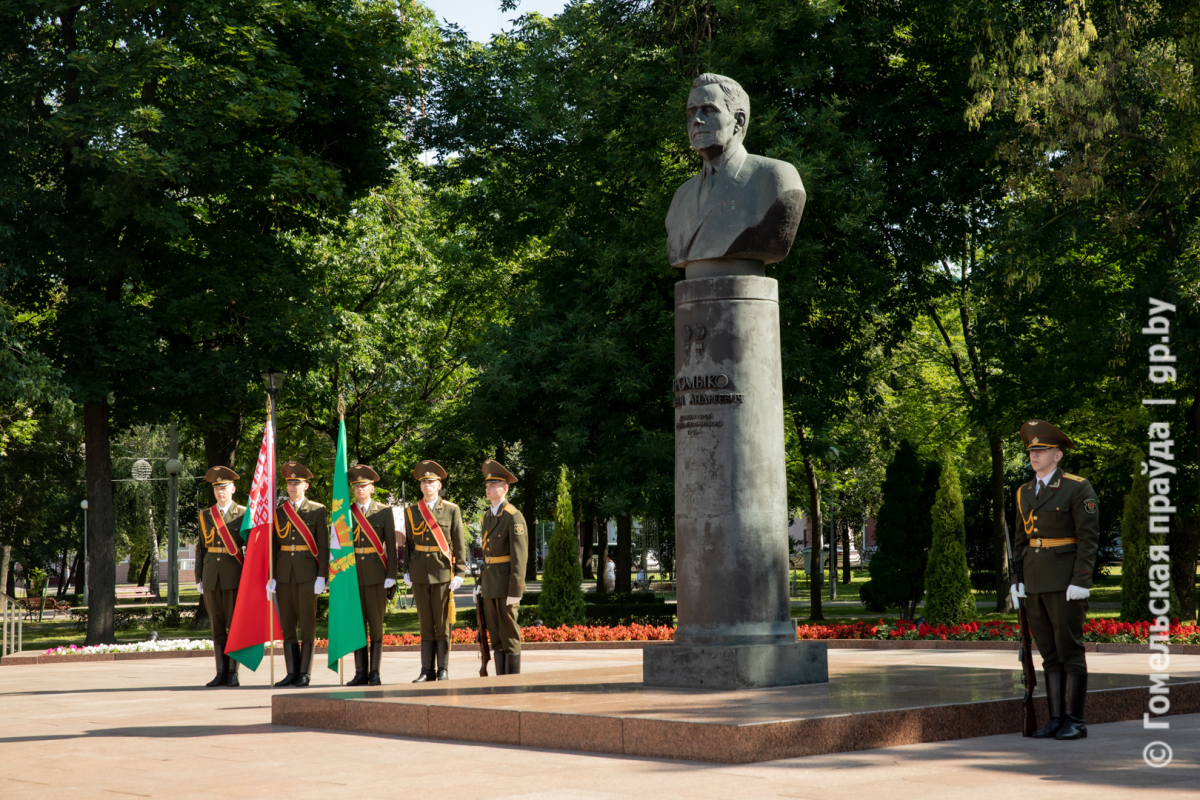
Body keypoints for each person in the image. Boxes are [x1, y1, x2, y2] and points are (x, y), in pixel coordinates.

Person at [1010, 420, 1099, 740]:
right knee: (1048, 651)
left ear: (1057, 455)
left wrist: (1081, 579)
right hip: (1034, 582)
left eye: (1041, 450)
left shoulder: (1077, 487)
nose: (1034, 455)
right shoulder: (1023, 492)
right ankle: (1055, 719)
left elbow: (1088, 539)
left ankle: (1075, 720)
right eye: (1031, 450)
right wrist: (1016, 580)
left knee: (1069, 649)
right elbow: (1020, 541)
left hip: (1065, 582)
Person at [664, 73, 806, 273]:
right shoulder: (681, 197)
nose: (696, 120)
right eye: (691, 112)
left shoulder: (775, 178)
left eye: (708, 110)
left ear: (738, 120)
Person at [267, 461, 329, 687]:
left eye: (297, 483)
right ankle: (291, 672)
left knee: (307, 625)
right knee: (288, 626)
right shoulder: (278, 512)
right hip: (284, 573)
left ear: (306, 486)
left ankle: (304, 672)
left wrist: (322, 576)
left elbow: (323, 545)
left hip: (307, 574)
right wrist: (271, 575)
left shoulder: (317, 510)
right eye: (289, 483)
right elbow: (273, 545)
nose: (292, 487)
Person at [403, 460, 466, 681]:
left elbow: (459, 543)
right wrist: (406, 570)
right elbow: (409, 544)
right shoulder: (411, 511)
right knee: (425, 623)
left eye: (431, 482)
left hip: (441, 572)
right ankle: (426, 670)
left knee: (442, 624)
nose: (427, 485)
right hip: (419, 572)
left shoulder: (451, 510)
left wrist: (460, 572)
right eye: (424, 482)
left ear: (439, 485)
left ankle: (443, 669)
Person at [345, 464, 400, 686]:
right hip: (353, 575)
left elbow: (391, 545)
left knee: (376, 625)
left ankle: (375, 672)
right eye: (356, 486)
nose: (359, 489)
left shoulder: (385, 511)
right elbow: (339, 545)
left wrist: (392, 575)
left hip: (378, 575)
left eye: (364, 485)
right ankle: (360, 672)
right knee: (357, 625)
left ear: (372, 488)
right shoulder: (346, 512)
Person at [195, 466, 246, 687]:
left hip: (234, 574)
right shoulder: (205, 515)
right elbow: (201, 548)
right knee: (217, 626)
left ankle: (233, 673)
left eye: (224, 487)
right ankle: (220, 672)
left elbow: (251, 548)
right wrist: (199, 577)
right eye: (217, 488)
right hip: (210, 575)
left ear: (233, 489)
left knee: (234, 625)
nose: (220, 492)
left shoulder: (244, 514)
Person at [477, 460, 529, 675]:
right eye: (487, 485)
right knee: (496, 635)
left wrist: (516, 589)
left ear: (505, 488)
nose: (488, 489)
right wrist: (480, 583)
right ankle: (500, 680)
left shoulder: (513, 515)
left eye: (493, 485)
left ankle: (512, 682)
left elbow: (520, 555)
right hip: (490, 584)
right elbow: (487, 555)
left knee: (509, 633)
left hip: (507, 583)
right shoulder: (487, 516)